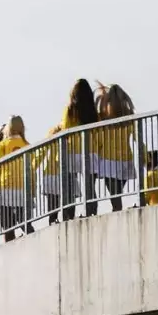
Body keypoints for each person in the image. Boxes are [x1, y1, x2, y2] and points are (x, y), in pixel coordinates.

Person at [36, 79, 98, 223]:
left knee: (69, 187)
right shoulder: (92, 110)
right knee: (90, 186)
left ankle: (69, 217)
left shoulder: (70, 109)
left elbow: (65, 128)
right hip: (90, 150)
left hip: (72, 151)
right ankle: (91, 213)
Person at [93, 82, 138, 214]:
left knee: (115, 193)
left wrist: (95, 151)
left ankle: (117, 211)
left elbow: (100, 140)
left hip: (108, 160)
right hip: (125, 159)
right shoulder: (129, 115)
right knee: (117, 192)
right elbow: (136, 137)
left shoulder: (103, 117)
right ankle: (117, 210)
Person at [0, 116, 33, 242]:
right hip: (22, 187)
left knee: (6, 223)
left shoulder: (2, 145)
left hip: (5, 186)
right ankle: (31, 239)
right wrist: (33, 187)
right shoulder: (27, 145)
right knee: (24, 221)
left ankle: (9, 245)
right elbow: (31, 168)